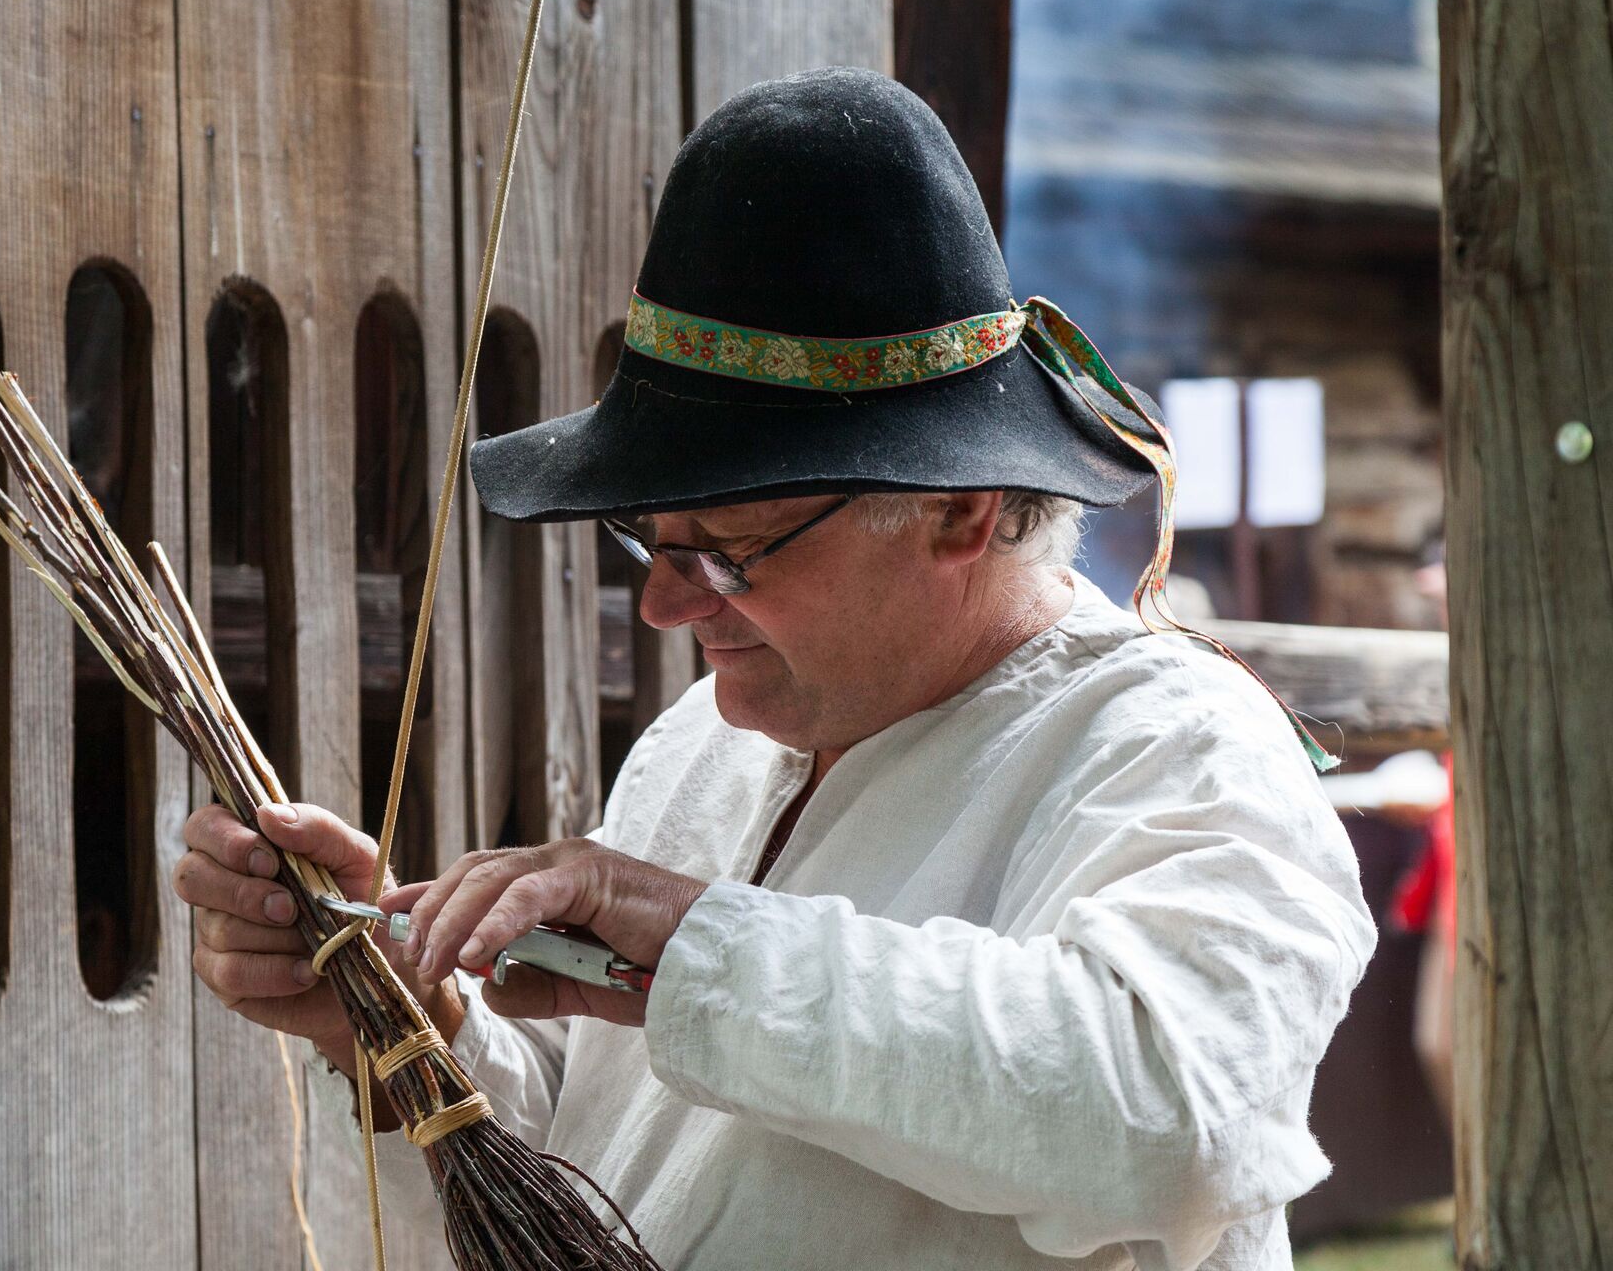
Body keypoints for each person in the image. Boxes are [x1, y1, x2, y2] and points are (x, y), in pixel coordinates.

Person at [174, 68, 1375, 1269]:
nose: (664, 603)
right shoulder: (700, 745)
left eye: (730, 551)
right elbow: (616, 1164)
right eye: (653, 539)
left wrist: (688, 933)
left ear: (958, 508)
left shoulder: (1184, 745)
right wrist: (404, 1033)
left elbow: (1170, 1120)